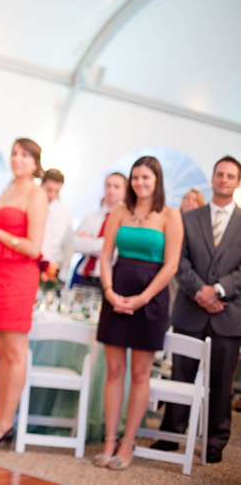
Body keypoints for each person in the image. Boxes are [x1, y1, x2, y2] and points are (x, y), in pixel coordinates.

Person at [93, 156, 183, 470]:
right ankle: (108, 440)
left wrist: (142, 298)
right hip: (114, 293)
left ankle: (128, 443)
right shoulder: (119, 211)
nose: (139, 183)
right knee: (114, 371)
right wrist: (108, 291)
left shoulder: (170, 215)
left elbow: (171, 265)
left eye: (146, 177)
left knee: (140, 374)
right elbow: (106, 255)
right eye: (135, 177)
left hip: (151, 300)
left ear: (157, 181)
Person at [152, 156, 241, 464]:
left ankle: (214, 441)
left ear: (237, 182)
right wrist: (200, 291)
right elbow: (180, 260)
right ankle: (170, 434)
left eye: (230, 175)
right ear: (213, 178)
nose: (224, 179)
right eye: (220, 174)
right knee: (181, 375)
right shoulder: (189, 219)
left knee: (221, 383)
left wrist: (217, 291)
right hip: (190, 310)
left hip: (229, 316)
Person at [0, 138, 47, 450]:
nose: (17, 159)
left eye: (25, 155)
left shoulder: (36, 194)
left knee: (14, 353)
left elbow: (33, 247)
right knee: (0, 351)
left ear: (35, 162)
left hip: (18, 276)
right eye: (15, 153)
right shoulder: (7, 189)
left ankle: (4, 424)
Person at [70, 172, 127, 288]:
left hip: (110, 282)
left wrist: (91, 241)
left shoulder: (127, 221)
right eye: (108, 185)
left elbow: (118, 253)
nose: (111, 190)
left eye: (116, 187)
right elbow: (75, 245)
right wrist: (108, 244)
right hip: (84, 278)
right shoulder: (91, 217)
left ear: (125, 191)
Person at [40, 168, 72, 283]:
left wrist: (62, 276)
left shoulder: (65, 213)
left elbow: (67, 247)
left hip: (52, 270)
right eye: (49, 189)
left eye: (57, 191)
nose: (52, 195)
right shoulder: (30, 206)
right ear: (41, 185)